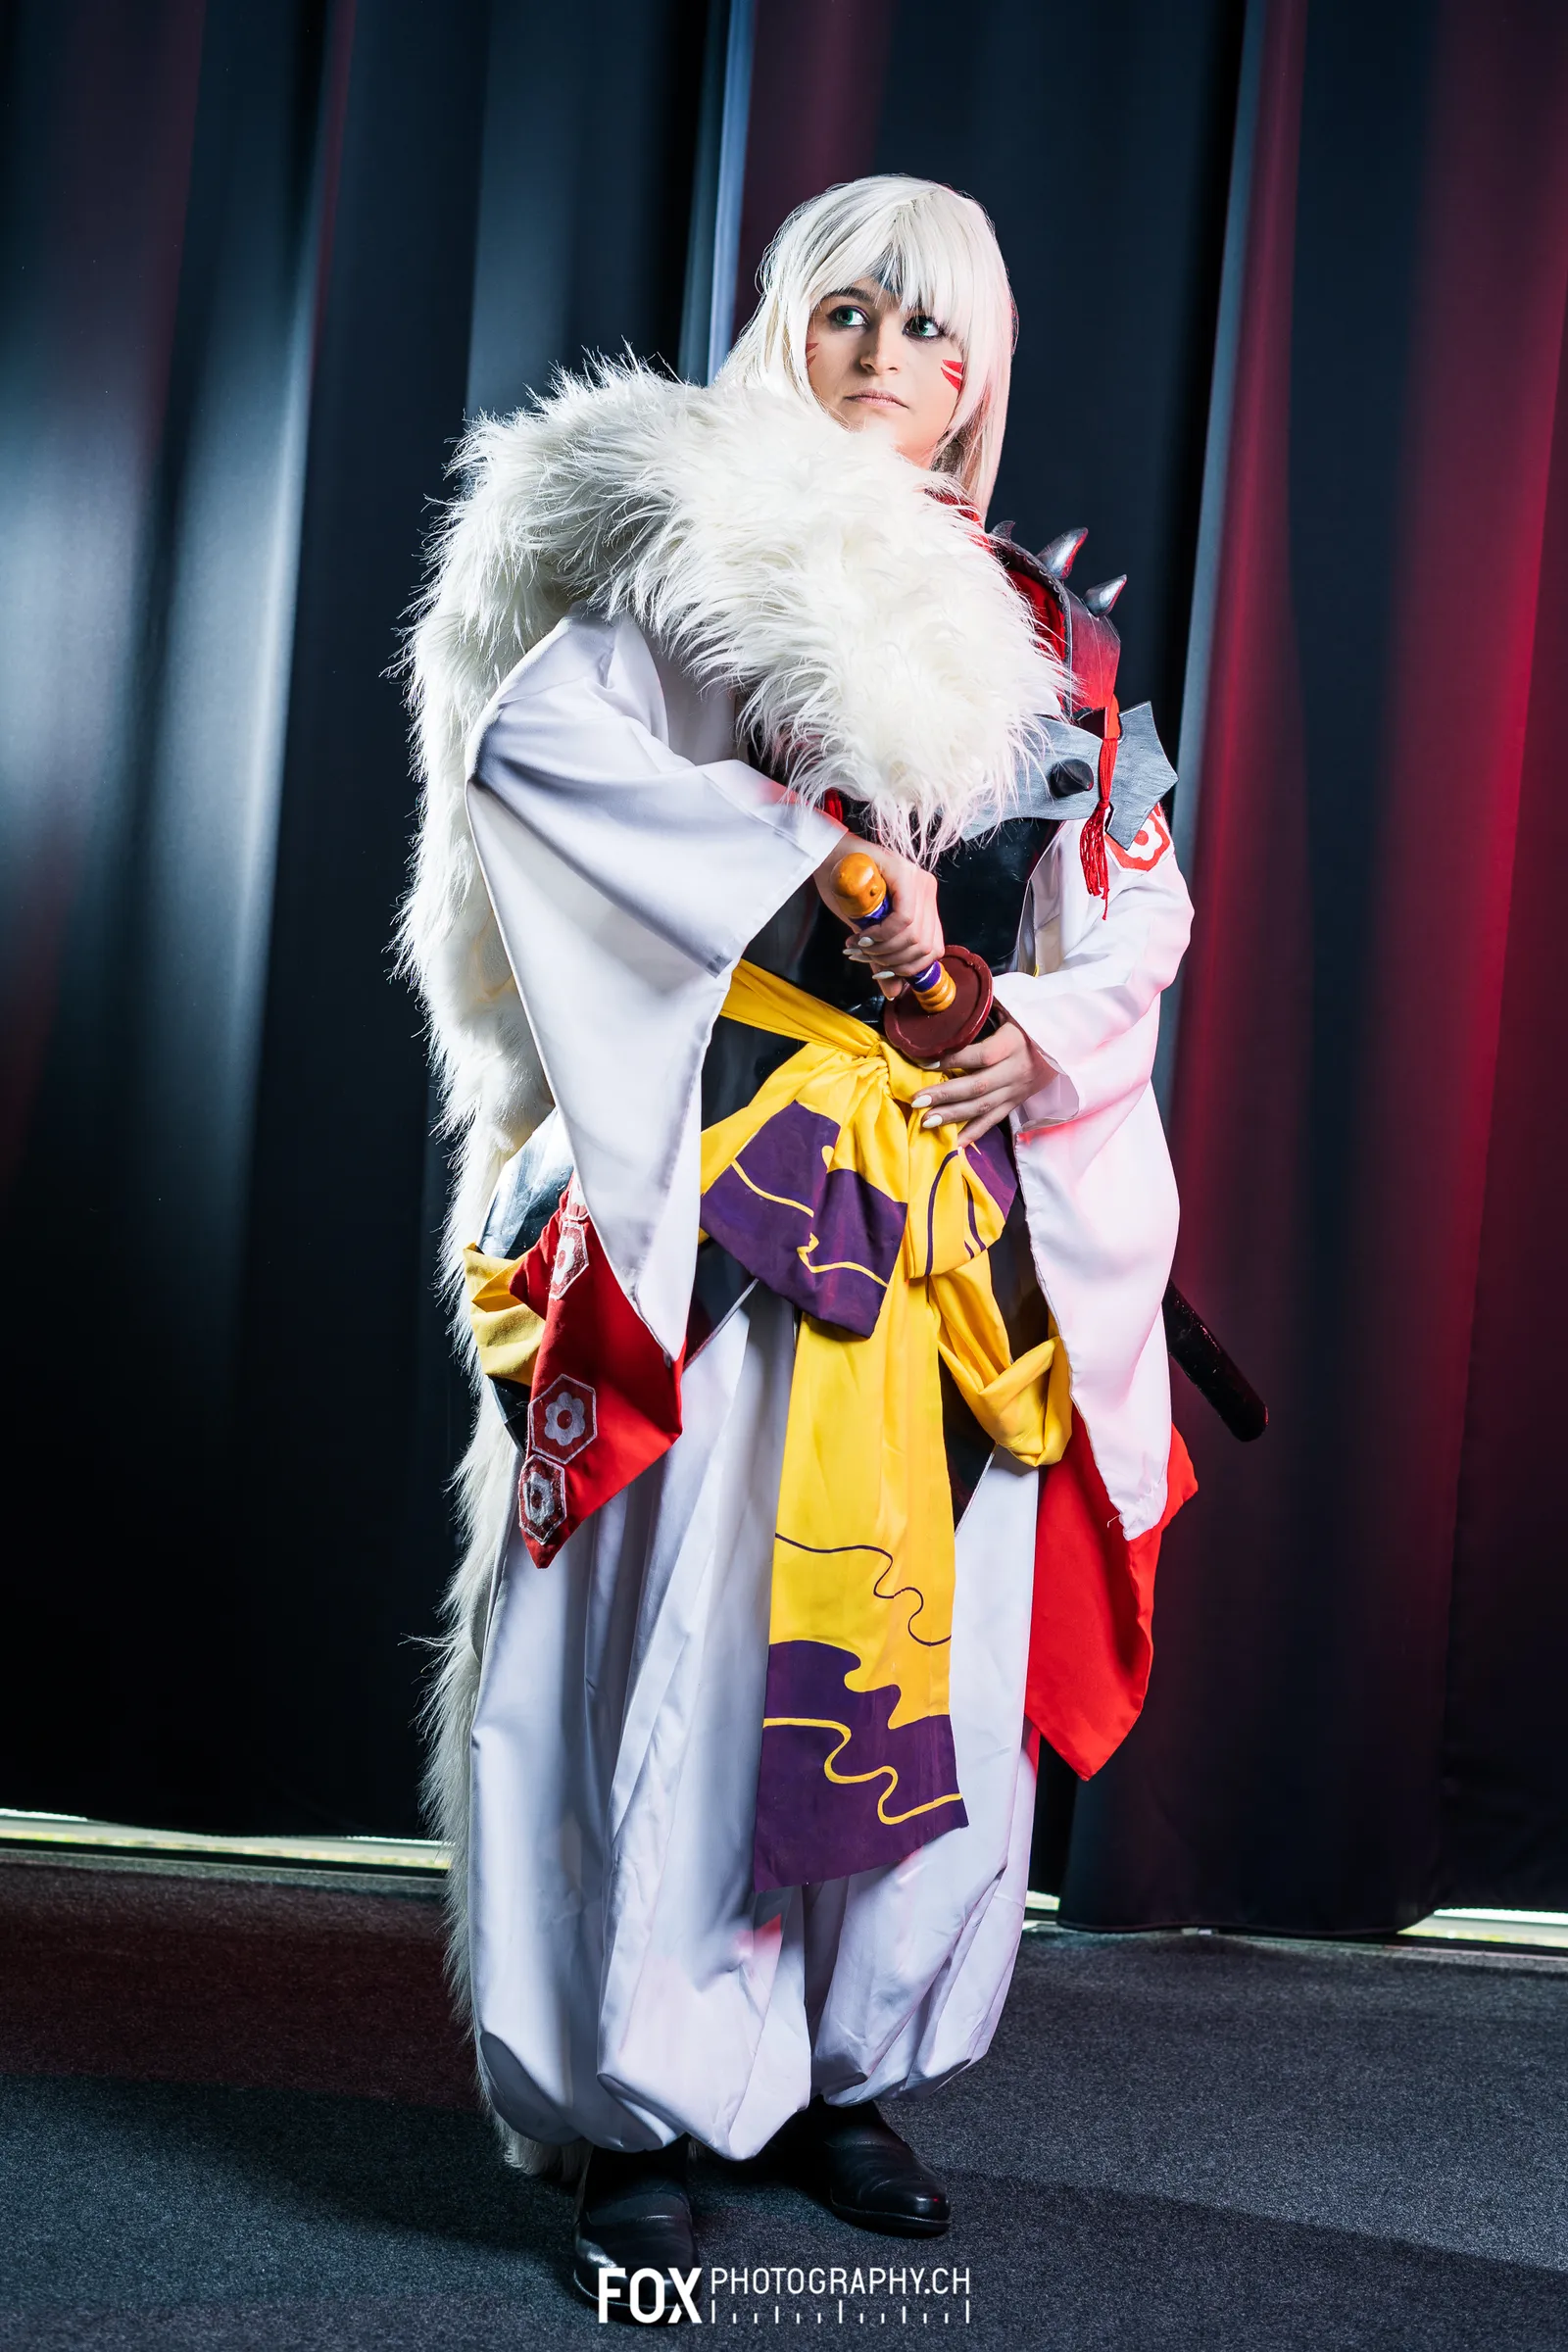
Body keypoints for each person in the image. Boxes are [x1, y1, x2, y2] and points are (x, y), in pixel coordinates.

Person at [403, 174, 1195, 2316]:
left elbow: (1131, 909)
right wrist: (805, 866)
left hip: (945, 1223)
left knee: (924, 1643)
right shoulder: (696, 553)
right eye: (846, 308)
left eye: (930, 329)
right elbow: (534, 749)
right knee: (686, 1635)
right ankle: (643, 2107)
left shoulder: (1053, 638)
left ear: (978, 378)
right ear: (786, 325)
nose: (884, 354)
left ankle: (846, 2076)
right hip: (735, 1197)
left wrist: (1026, 1030)